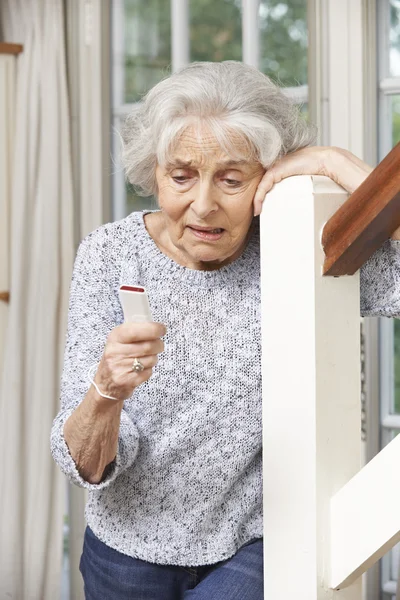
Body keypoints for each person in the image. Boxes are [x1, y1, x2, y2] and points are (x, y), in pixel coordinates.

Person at [51, 61, 400, 600]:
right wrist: (106, 393)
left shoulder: (296, 243)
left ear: (268, 177)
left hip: (251, 544)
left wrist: (340, 166)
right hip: (125, 549)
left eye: (233, 178)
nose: (204, 204)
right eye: (182, 176)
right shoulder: (110, 253)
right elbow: (85, 464)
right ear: (154, 173)